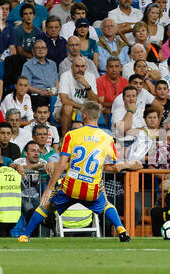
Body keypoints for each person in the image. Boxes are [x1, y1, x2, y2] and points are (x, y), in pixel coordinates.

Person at [18, 101, 142, 242]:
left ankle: (25, 235)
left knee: (46, 204)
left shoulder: (72, 135)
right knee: (106, 203)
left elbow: (62, 163)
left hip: (72, 185)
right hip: (91, 188)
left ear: (83, 115)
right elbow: (111, 165)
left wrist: (49, 189)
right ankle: (121, 229)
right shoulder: (108, 139)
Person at [55, 56, 98, 137]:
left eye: (82, 66)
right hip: (63, 110)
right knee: (68, 107)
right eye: (77, 66)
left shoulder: (90, 76)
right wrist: (82, 107)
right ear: (72, 67)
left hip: (83, 109)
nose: (80, 69)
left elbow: (94, 101)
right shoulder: (65, 76)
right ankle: (65, 138)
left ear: (86, 67)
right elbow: (64, 100)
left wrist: (87, 85)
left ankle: (91, 137)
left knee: (98, 107)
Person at [96, 57, 129, 127]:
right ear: (106, 68)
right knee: (106, 110)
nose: (114, 70)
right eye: (111, 67)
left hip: (122, 109)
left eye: (116, 67)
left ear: (120, 68)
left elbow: (128, 100)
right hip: (107, 110)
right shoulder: (100, 81)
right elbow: (101, 102)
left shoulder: (125, 81)